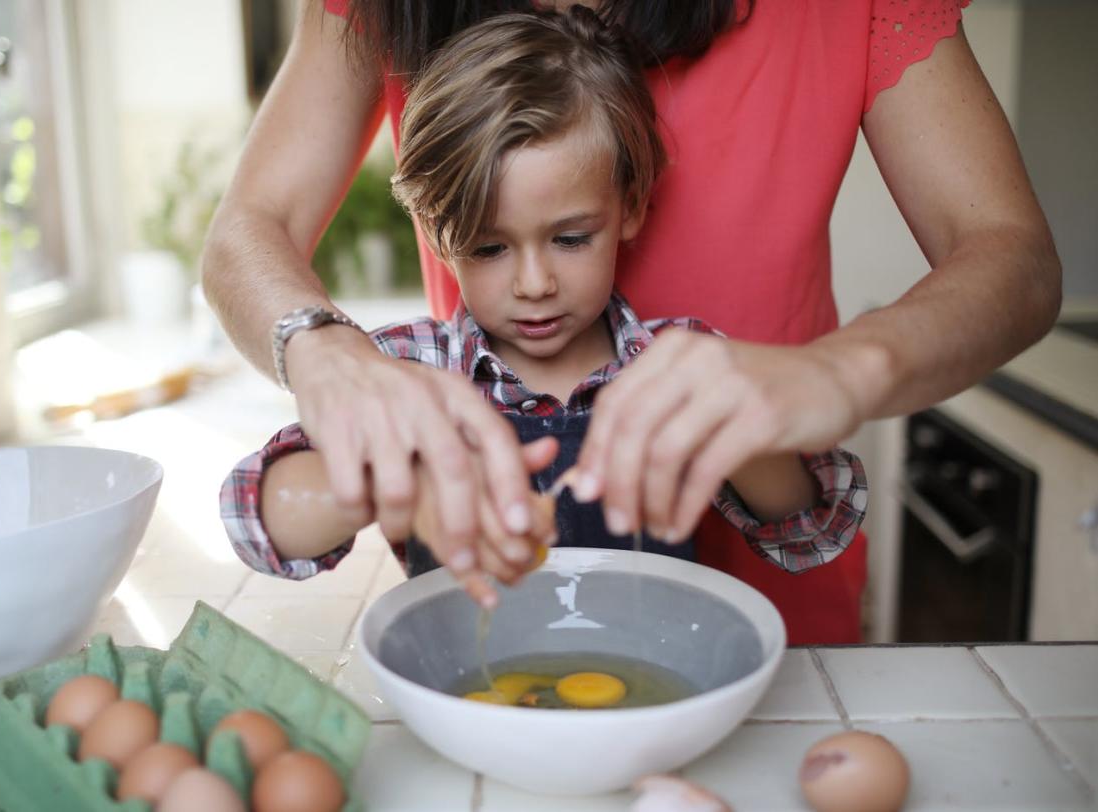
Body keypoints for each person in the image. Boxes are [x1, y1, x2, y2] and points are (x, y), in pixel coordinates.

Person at [202, 0, 1059, 642]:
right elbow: (260, 515)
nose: (534, 283)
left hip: (743, 645)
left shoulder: (671, 357)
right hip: (484, 676)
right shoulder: (424, 369)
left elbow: (1009, 257)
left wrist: (829, 378)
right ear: (436, 226)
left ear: (630, 207)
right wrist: (331, 379)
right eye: (489, 247)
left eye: (570, 237)